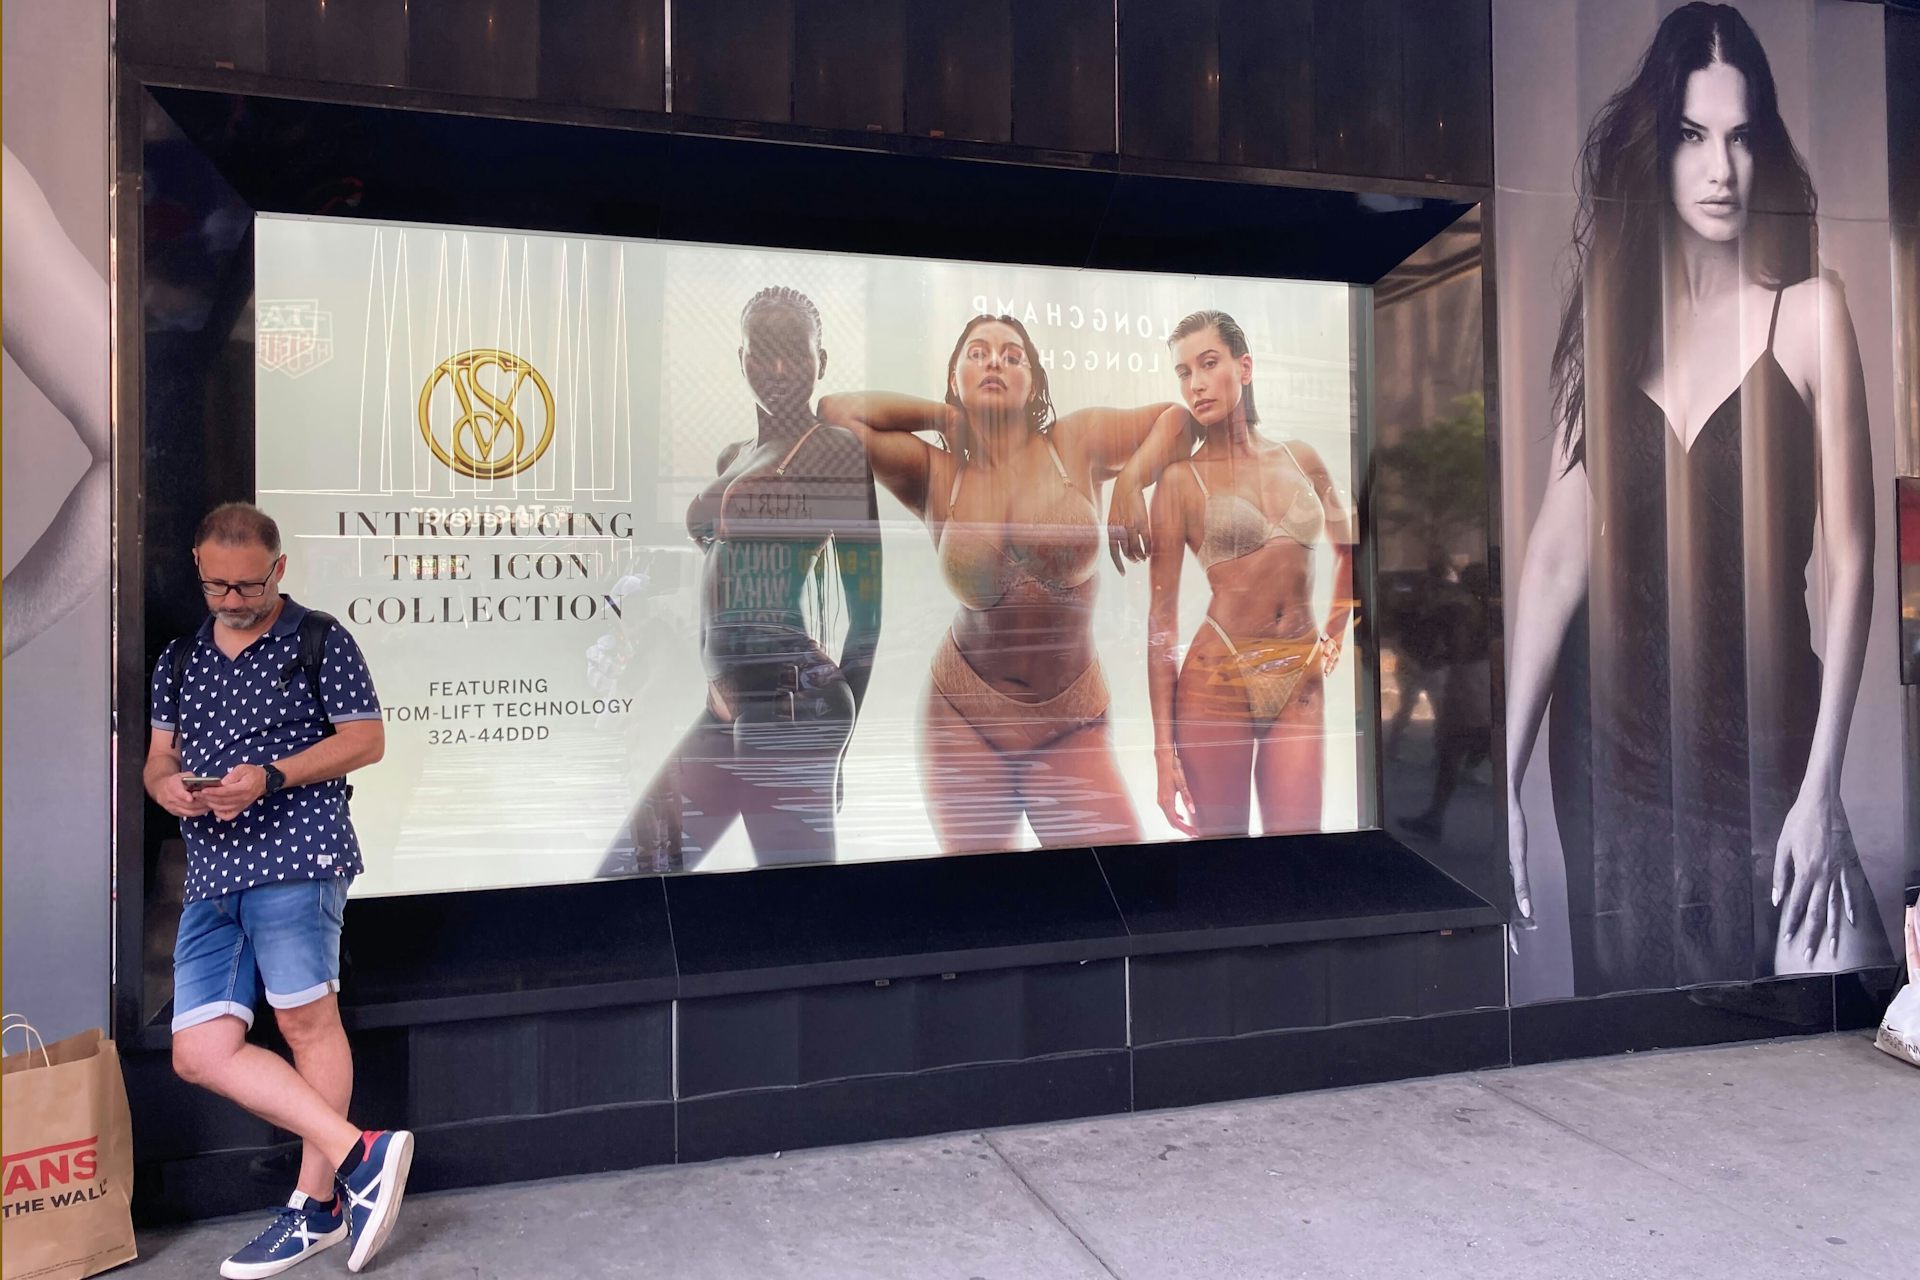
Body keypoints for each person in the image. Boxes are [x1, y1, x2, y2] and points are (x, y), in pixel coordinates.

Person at [1504, 2, 1891, 993]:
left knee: (1834, 1005)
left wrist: (1820, 786)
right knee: (1646, 1049)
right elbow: (1558, 549)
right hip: (1614, 755)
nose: (1719, 168)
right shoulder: (1607, 333)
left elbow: (1851, 558)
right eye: (1689, 136)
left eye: (1739, 135)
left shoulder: (1809, 315)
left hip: (1766, 746)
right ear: (1656, 150)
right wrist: (1499, 775)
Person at [145, 502, 412, 1276]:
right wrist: (169, 788)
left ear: (279, 570)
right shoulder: (180, 659)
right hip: (211, 870)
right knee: (198, 1051)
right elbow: (159, 760)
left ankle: (314, 1204)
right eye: (217, 586)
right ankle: (359, 1153)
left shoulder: (318, 638)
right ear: (198, 568)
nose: (233, 600)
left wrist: (271, 776)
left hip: (299, 855)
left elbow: (368, 740)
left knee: (306, 1026)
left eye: (248, 586)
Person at [820, 315, 1183, 852]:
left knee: (1118, 893)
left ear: (1032, 382)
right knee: (987, 905)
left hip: (1070, 718)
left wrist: (1131, 480)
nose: (996, 361)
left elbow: (1175, 419)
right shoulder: (935, 473)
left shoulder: (1075, 441)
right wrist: (943, 416)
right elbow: (835, 414)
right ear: (956, 377)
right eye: (978, 352)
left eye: (1014, 356)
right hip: (962, 715)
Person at [607, 286, 882, 873]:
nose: (780, 369)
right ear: (742, 359)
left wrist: (837, 745)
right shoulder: (733, 454)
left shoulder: (833, 450)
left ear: (821, 362)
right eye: (763, 352)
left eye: (797, 353)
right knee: (638, 867)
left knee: (792, 908)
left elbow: (867, 610)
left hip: (793, 702)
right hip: (729, 702)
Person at [1105, 310, 1356, 838]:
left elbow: (1351, 549)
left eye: (1208, 363)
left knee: (1299, 855)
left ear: (1245, 368)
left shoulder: (1302, 457)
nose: (1195, 384)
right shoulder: (1179, 481)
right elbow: (1162, 623)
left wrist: (1334, 632)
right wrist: (1161, 751)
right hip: (1219, 679)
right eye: (1183, 372)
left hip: (1299, 678)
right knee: (1224, 866)